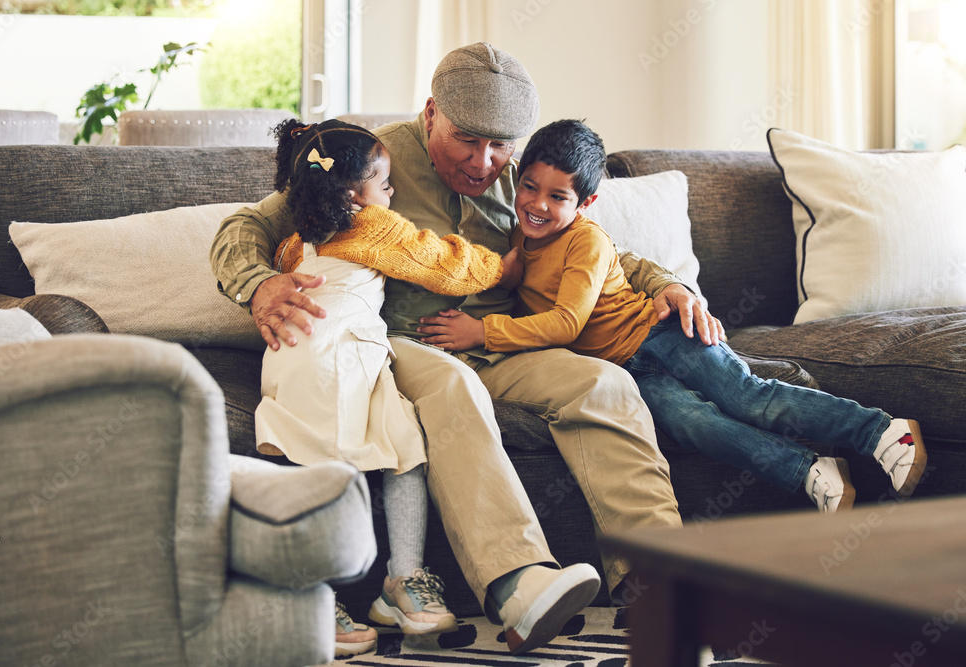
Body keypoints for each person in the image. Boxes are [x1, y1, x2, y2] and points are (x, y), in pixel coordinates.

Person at [211, 43, 705, 654]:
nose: (484, 161)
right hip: (402, 345)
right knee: (453, 385)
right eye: (467, 141)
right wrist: (259, 284)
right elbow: (246, 227)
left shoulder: (518, 180)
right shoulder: (373, 162)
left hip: (505, 341)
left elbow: (599, 249)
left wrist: (669, 284)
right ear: (430, 114)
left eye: (500, 145)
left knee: (605, 384)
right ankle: (518, 584)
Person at [430, 118, 929, 514]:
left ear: (587, 202)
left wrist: (482, 331)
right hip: (627, 370)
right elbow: (532, 285)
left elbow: (566, 324)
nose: (537, 204)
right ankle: (807, 471)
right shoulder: (524, 230)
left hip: (662, 334)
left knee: (748, 396)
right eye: (531, 188)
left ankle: (881, 431)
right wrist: (506, 276)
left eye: (557, 197)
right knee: (692, 424)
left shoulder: (586, 239)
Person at [256, 118, 517, 656]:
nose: (392, 192)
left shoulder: (294, 244)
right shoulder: (376, 225)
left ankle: (401, 583)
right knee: (340, 469)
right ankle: (317, 598)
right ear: (356, 197)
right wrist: (506, 266)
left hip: (311, 356)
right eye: (384, 183)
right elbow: (444, 264)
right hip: (335, 357)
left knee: (404, 448)